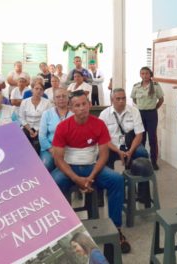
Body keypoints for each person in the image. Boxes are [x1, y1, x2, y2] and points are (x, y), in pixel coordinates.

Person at [50, 90, 131, 253]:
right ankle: (62, 233)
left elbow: (103, 155)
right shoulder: (63, 127)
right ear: (71, 108)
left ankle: (116, 229)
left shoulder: (99, 124)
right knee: (52, 185)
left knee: (117, 180)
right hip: (69, 167)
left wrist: (90, 177)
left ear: (89, 104)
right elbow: (58, 159)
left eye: (84, 104)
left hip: (92, 166)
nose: (81, 108)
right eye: (77, 105)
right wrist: (76, 179)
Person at [99, 88, 151, 204]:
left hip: (131, 144)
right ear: (112, 99)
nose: (121, 101)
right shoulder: (104, 114)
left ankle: (143, 195)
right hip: (113, 146)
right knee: (102, 156)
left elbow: (139, 135)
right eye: (118, 99)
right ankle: (112, 189)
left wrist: (130, 151)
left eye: (123, 98)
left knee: (142, 154)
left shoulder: (134, 111)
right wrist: (118, 151)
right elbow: (103, 139)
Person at [131, 66, 164, 170]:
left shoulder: (155, 86)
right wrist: (142, 107)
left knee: (152, 138)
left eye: (147, 73)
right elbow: (135, 100)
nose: (145, 75)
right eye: (142, 73)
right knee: (141, 138)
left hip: (152, 114)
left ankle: (153, 161)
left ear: (150, 74)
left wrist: (154, 108)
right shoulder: (136, 86)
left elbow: (161, 99)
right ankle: (142, 160)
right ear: (140, 75)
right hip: (140, 114)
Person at [39, 88, 72, 172]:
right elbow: (42, 136)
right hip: (50, 148)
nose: (61, 98)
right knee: (45, 166)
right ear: (54, 99)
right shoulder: (47, 114)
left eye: (64, 96)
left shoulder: (74, 114)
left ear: (68, 98)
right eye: (58, 97)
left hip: (69, 149)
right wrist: (52, 150)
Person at [19, 82, 51, 154]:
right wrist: (30, 130)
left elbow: (48, 120)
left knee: (36, 147)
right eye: (36, 88)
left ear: (43, 92)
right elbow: (21, 118)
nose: (39, 91)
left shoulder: (47, 102)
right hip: (26, 127)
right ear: (32, 90)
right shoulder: (25, 102)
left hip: (41, 128)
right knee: (22, 144)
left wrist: (38, 131)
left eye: (41, 89)